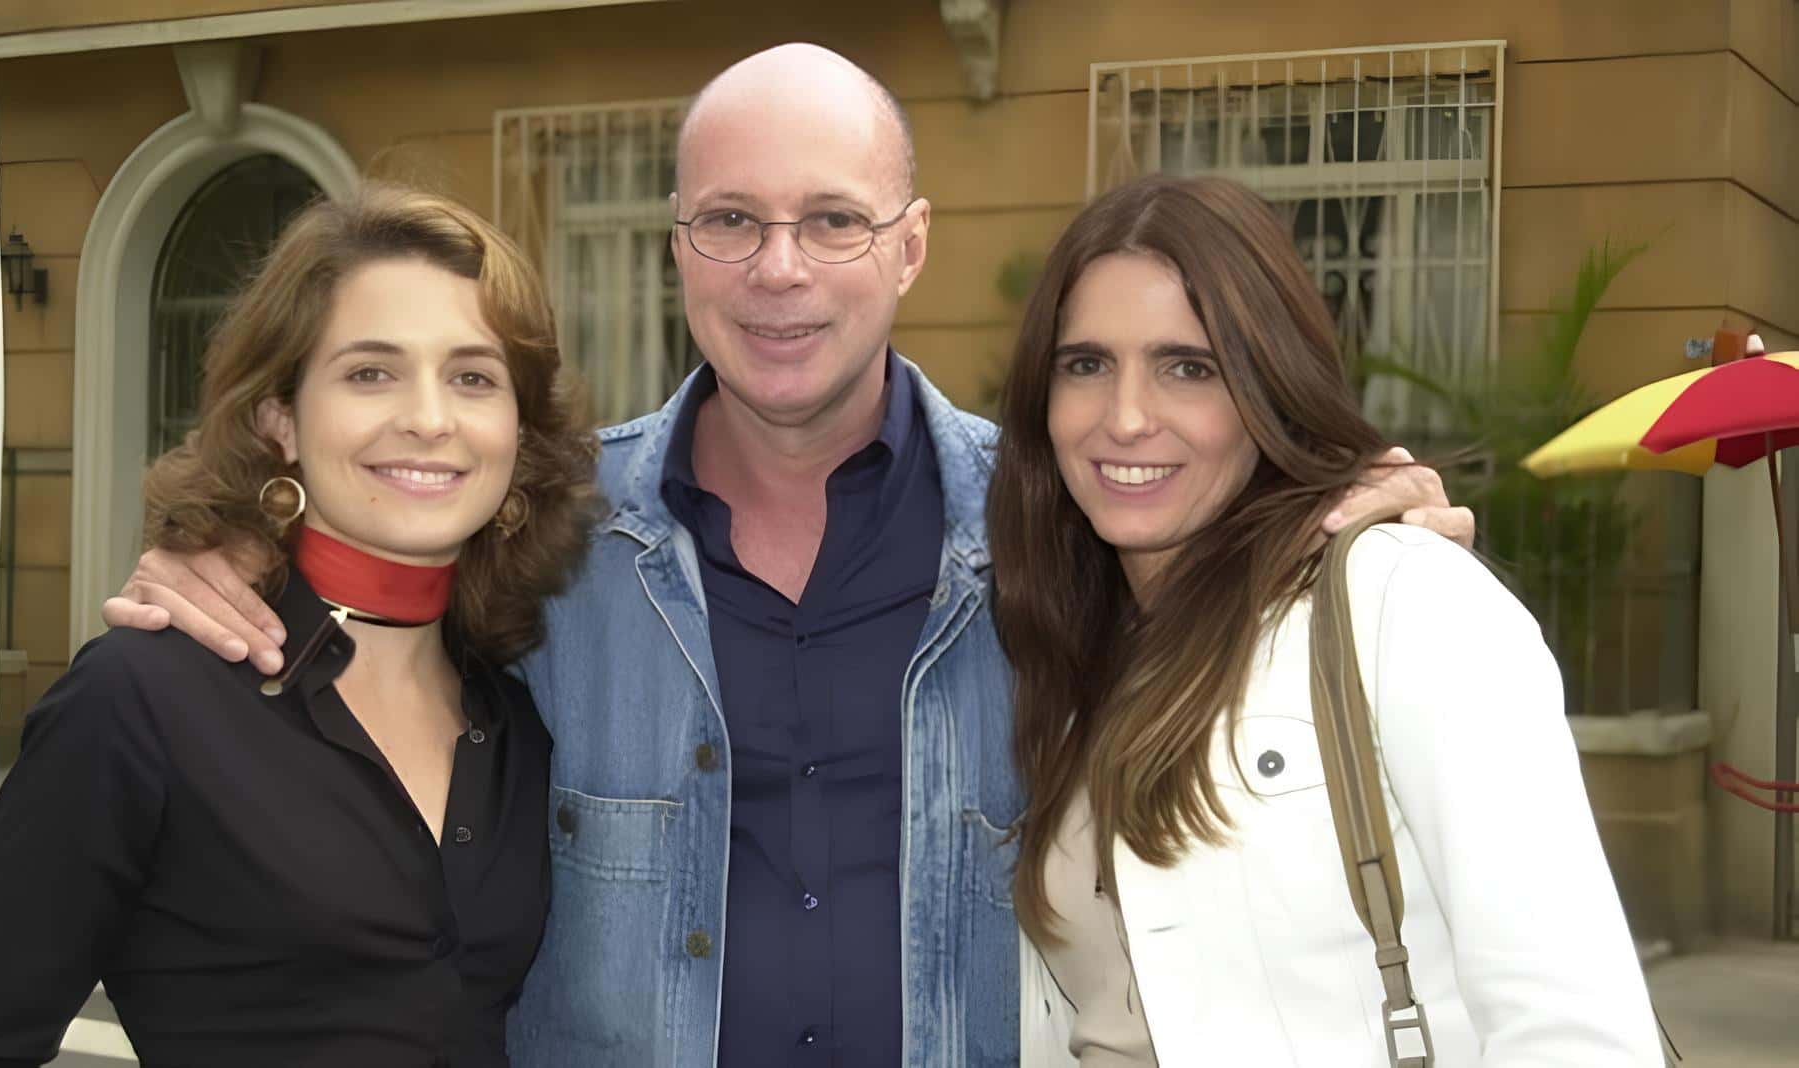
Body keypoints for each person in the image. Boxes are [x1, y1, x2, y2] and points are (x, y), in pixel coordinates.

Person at [98, 46, 1473, 1067]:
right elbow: (363, 547)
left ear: (910, 246)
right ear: (678, 244)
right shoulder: (542, 534)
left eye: (832, 219)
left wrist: (1349, 526)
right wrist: (227, 554)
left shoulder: (1065, 527)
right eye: (732, 221)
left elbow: (1237, 562)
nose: (779, 268)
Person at [0, 183, 600, 1067]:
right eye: (369, 372)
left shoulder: (523, 707)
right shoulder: (138, 700)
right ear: (281, 421)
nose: (429, 419)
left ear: (518, 430)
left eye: (472, 376)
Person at [991, 174, 1659, 1066]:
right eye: (1087, 365)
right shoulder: (1057, 644)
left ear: (1270, 384)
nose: (1127, 417)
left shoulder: (1409, 606)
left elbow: (1576, 1037)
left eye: (1189, 367)